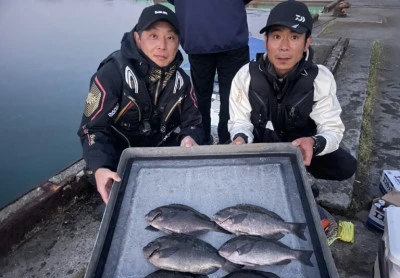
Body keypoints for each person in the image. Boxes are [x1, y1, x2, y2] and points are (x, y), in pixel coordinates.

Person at [77, 4, 204, 203]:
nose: (162, 45)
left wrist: (190, 138)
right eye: (153, 36)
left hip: (158, 153)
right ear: (137, 38)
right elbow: (92, 129)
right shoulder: (111, 74)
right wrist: (100, 167)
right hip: (119, 162)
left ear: (178, 42)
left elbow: (194, 123)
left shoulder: (182, 81)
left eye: (170, 37)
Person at [228, 0, 357, 181]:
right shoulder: (246, 75)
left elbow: (332, 128)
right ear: (266, 41)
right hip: (260, 144)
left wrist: (313, 144)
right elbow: (239, 121)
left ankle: (303, 175)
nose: (284, 47)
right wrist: (240, 137)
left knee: (345, 166)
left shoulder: (320, 78)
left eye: (294, 37)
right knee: (228, 151)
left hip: (300, 146)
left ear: (307, 43)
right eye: (276, 36)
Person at [167, 0, 252, 144]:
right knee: (234, 96)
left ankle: (201, 138)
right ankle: (230, 141)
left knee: (200, 97)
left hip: (196, 35)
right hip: (231, 33)